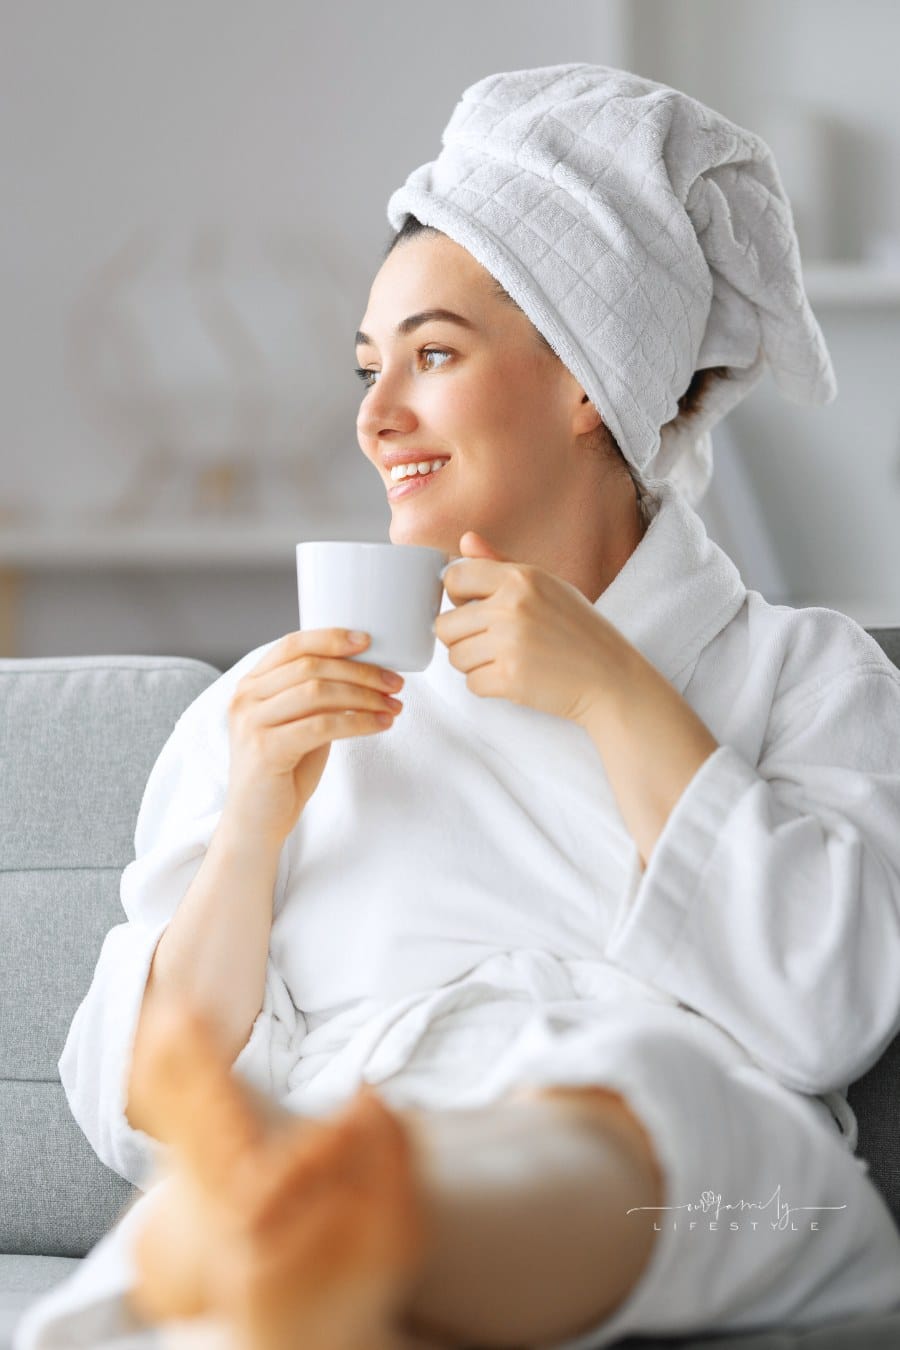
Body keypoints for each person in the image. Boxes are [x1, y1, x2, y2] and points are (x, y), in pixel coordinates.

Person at [16, 63, 900, 1350]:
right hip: (351, 1111)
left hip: (676, 1177)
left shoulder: (805, 679)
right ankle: (323, 1214)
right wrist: (257, 817)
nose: (376, 418)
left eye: (432, 355)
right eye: (369, 367)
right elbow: (140, 1102)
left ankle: (358, 1218)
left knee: (663, 1116)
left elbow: (822, 1010)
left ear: (590, 376)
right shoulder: (275, 711)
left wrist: (612, 689)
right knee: (269, 1180)